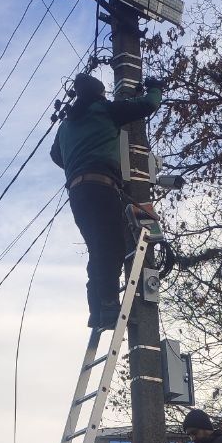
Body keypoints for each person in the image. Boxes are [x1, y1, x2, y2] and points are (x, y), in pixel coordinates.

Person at [50, 72, 163, 330]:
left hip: (78, 194)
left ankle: (97, 310)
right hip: (102, 187)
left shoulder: (66, 126)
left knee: (98, 249)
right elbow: (148, 105)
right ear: (100, 95)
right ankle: (110, 307)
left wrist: (77, 161)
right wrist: (156, 88)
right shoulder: (105, 111)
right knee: (111, 248)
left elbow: (56, 155)